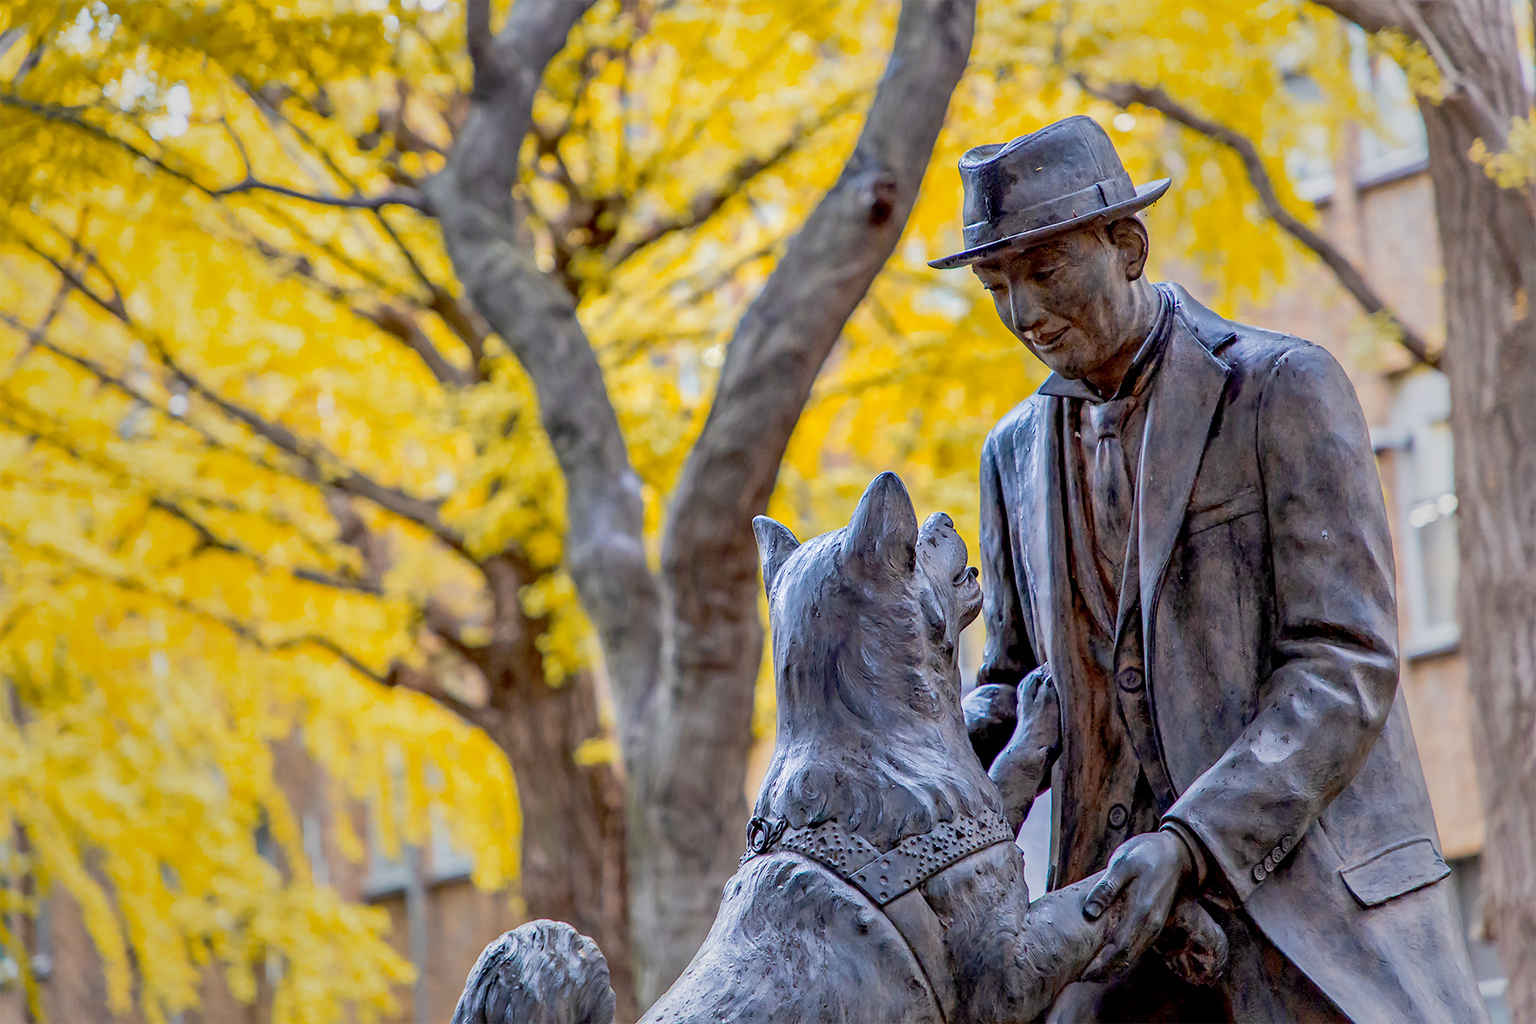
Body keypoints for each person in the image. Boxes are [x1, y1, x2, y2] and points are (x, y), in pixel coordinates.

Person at [932, 115, 1486, 1022]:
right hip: (1106, 944)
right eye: (998, 284)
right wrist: (911, 771)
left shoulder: (1281, 388)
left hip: (1309, 925)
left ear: (1129, 247)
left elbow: (1344, 663)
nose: (1023, 314)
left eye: (1046, 271)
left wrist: (1191, 842)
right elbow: (1015, 685)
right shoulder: (1012, 455)